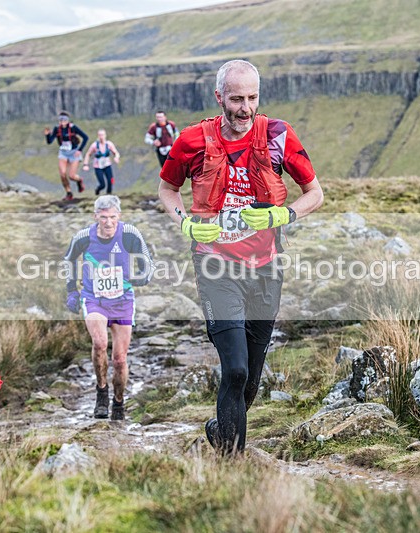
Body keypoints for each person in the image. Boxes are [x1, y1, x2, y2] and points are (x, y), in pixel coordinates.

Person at [157, 60, 324, 455]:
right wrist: (186, 224)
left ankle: (220, 430)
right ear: (219, 97)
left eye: (252, 98)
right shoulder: (192, 140)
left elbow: (315, 193)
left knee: (249, 381)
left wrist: (282, 215)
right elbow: (167, 189)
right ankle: (233, 464)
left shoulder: (279, 135)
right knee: (234, 369)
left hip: (266, 269)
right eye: (236, 99)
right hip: (215, 266)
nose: (245, 108)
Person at [63, 195, 155, 420]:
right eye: (103, 217)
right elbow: (69, 260)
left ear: (119, 216)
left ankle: (119, 403)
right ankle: (102, 393)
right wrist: (72, 290)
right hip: (94, 299)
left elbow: (147, 262)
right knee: (99, 343)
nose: (108, 222)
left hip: (123, 301)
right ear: (96, 216)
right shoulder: (84, 237)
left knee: (120, 359)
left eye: (113, 217)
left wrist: (142, 276)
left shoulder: (130, 233)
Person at [45, 111, 89, 201]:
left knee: (72, 176)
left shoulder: (73, 128)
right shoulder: (57, 129)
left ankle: (79, 181)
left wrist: (80, 150)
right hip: (63, 152)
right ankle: (69, 193)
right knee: (62, 174)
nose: (62, 122)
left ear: (68, 121)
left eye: (64, 120)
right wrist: (47, 135)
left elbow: (85, 137)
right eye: (61, 120)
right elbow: (50, 141)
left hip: (74, 152)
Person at [83, 129, 120, 196]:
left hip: (107, 165)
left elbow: (116, 152)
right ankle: (98, 190)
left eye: (102, 135)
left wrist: (116, 157)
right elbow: (88, 154)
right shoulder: (94, 145)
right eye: (99, 135)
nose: (101, 137)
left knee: (111, 180)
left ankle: (109, 194)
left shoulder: (109, 144)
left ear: (105, 135)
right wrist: (85, 164)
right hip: (98, 166)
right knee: (102, 184)